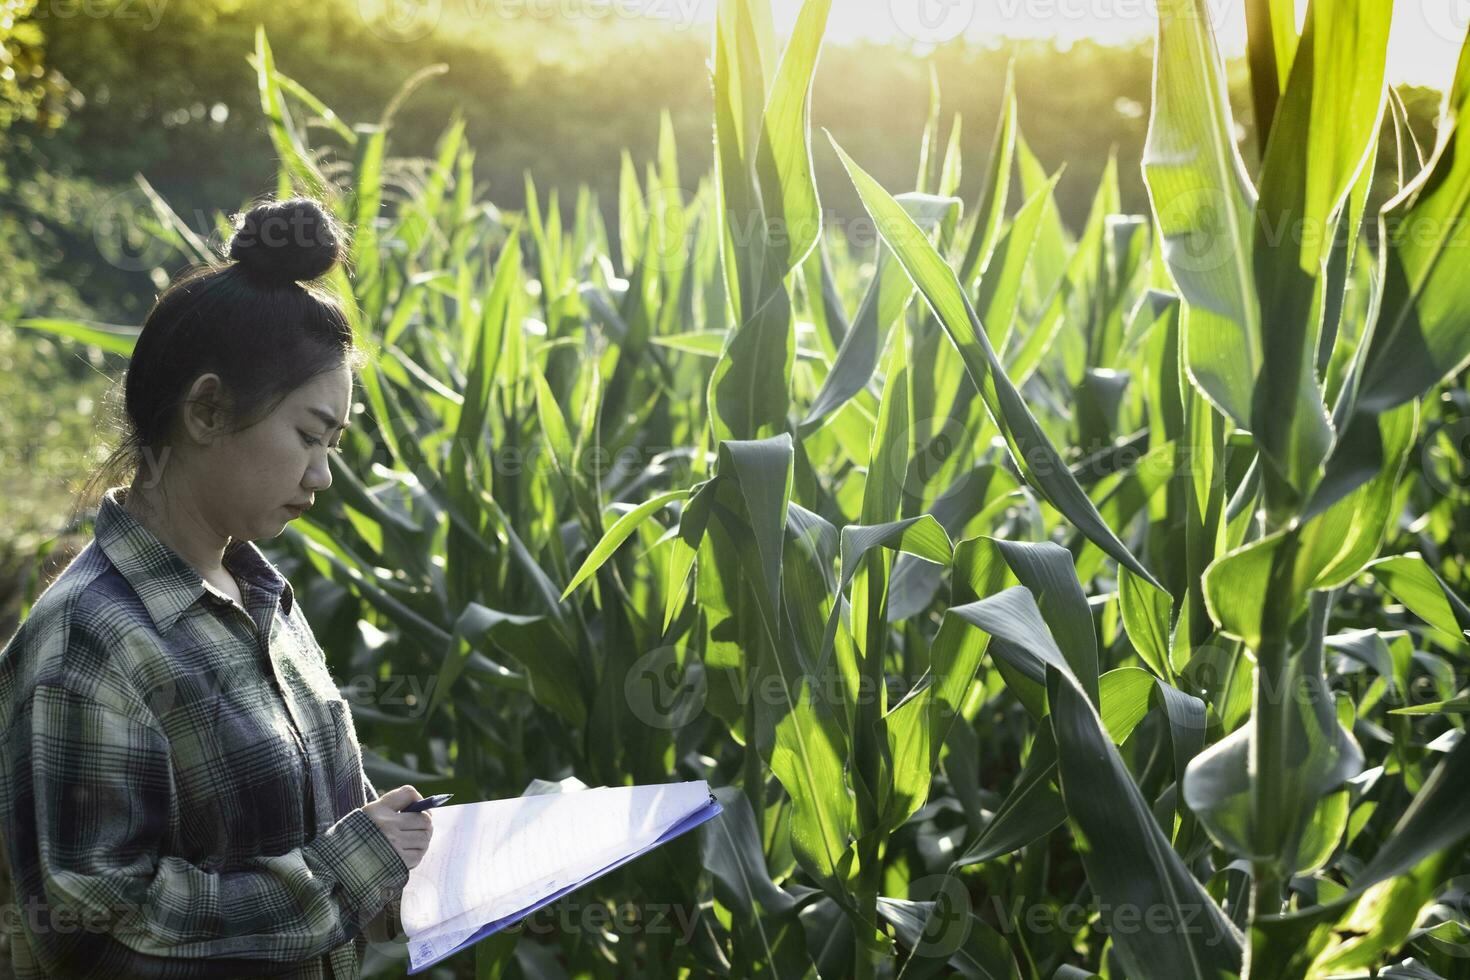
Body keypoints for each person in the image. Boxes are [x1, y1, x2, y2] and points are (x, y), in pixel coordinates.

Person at [0, 198, 433, 978]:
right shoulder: (90, 642)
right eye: (308, 435)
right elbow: (92, 925)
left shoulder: (263, 602)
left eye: (333, 443)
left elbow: (333, 843)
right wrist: (346, 874)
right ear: (206, 409)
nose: (322, 475)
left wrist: (405, 868)